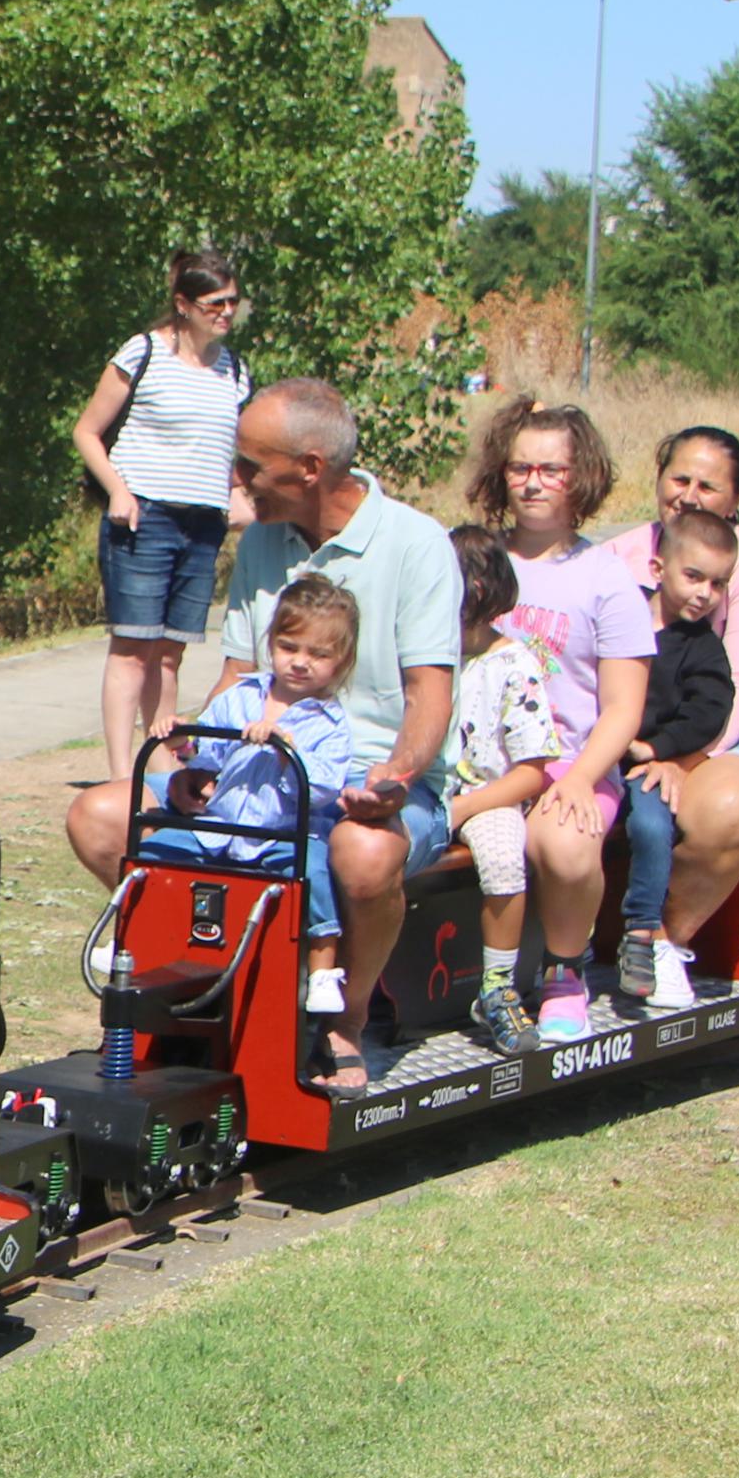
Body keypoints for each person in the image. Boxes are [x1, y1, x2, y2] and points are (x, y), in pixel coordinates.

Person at [74, 381, 457, 1086]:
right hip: (259, 773)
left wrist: (392, 781)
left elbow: (428, 693)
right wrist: (195, 754)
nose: (235, 478)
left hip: (358, 776)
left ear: (309, 467)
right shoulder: (262, 543)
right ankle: (213, 981)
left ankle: (344, 1019)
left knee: (363, 852)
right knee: (100, 816)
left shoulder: (416, 544)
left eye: (249, 465)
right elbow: (237, 677)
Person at [461, 398, 657, 1048]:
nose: (533, 481)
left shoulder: (605, 578)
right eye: (520, 467)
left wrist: (583, 779)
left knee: (565, 845)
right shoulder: (470, 560)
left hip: (572, 759)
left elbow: (623, 705)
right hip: (477, 761)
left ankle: (564, 973)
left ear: (582, 478)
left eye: (551, 469)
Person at [148, 574, 370, 1074]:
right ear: (271, 643)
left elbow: (327, 787)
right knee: (157, 848)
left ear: (342, 663)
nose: (299, 660)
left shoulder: (331, 725)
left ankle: (322, 969)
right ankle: (132, 945)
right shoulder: (240, 697)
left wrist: (285, 747)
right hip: (222, 828)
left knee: (312, 872)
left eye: (318, 653)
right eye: (289, 645)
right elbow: (208, 757)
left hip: (284, 834)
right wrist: (180, 740)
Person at [600, 430, 739, 952]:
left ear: (735, 499)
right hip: (622, 738)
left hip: (721, 739)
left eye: (708, 485)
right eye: (679, 479)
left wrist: (682, 758)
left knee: (723, 806)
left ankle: (663, 943)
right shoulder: (618, 556)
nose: (689, 494)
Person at [68, 250, 250, 773]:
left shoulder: (234, 370)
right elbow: (87, 431)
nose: (227, 312)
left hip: (204, 522)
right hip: (144, 518)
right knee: (133, 647)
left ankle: (164, 761)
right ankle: (123, 770)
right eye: (215, 302)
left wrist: (240, 496)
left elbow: (228, 450)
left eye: (233, 301)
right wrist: (119, 492)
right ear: (183, 304)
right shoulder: (143, 352)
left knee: (171, 651)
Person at [440, 523, 563, 1055]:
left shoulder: (513, 665)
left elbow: (531, 771)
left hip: (486, 795)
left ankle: (496, 986)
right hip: (421, 788)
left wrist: (465, 805)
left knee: (503, 855)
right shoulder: (417, 653)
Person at [612, 508, 739, 1011]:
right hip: (592, 756)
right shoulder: (621, 619)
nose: (704, 593)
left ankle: (643, 933)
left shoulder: (703, 649)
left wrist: (657, 749)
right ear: (658, 568)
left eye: (718, 583)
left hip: (642, 765)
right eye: (694, 577)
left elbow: (710, 713)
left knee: (649, 824)